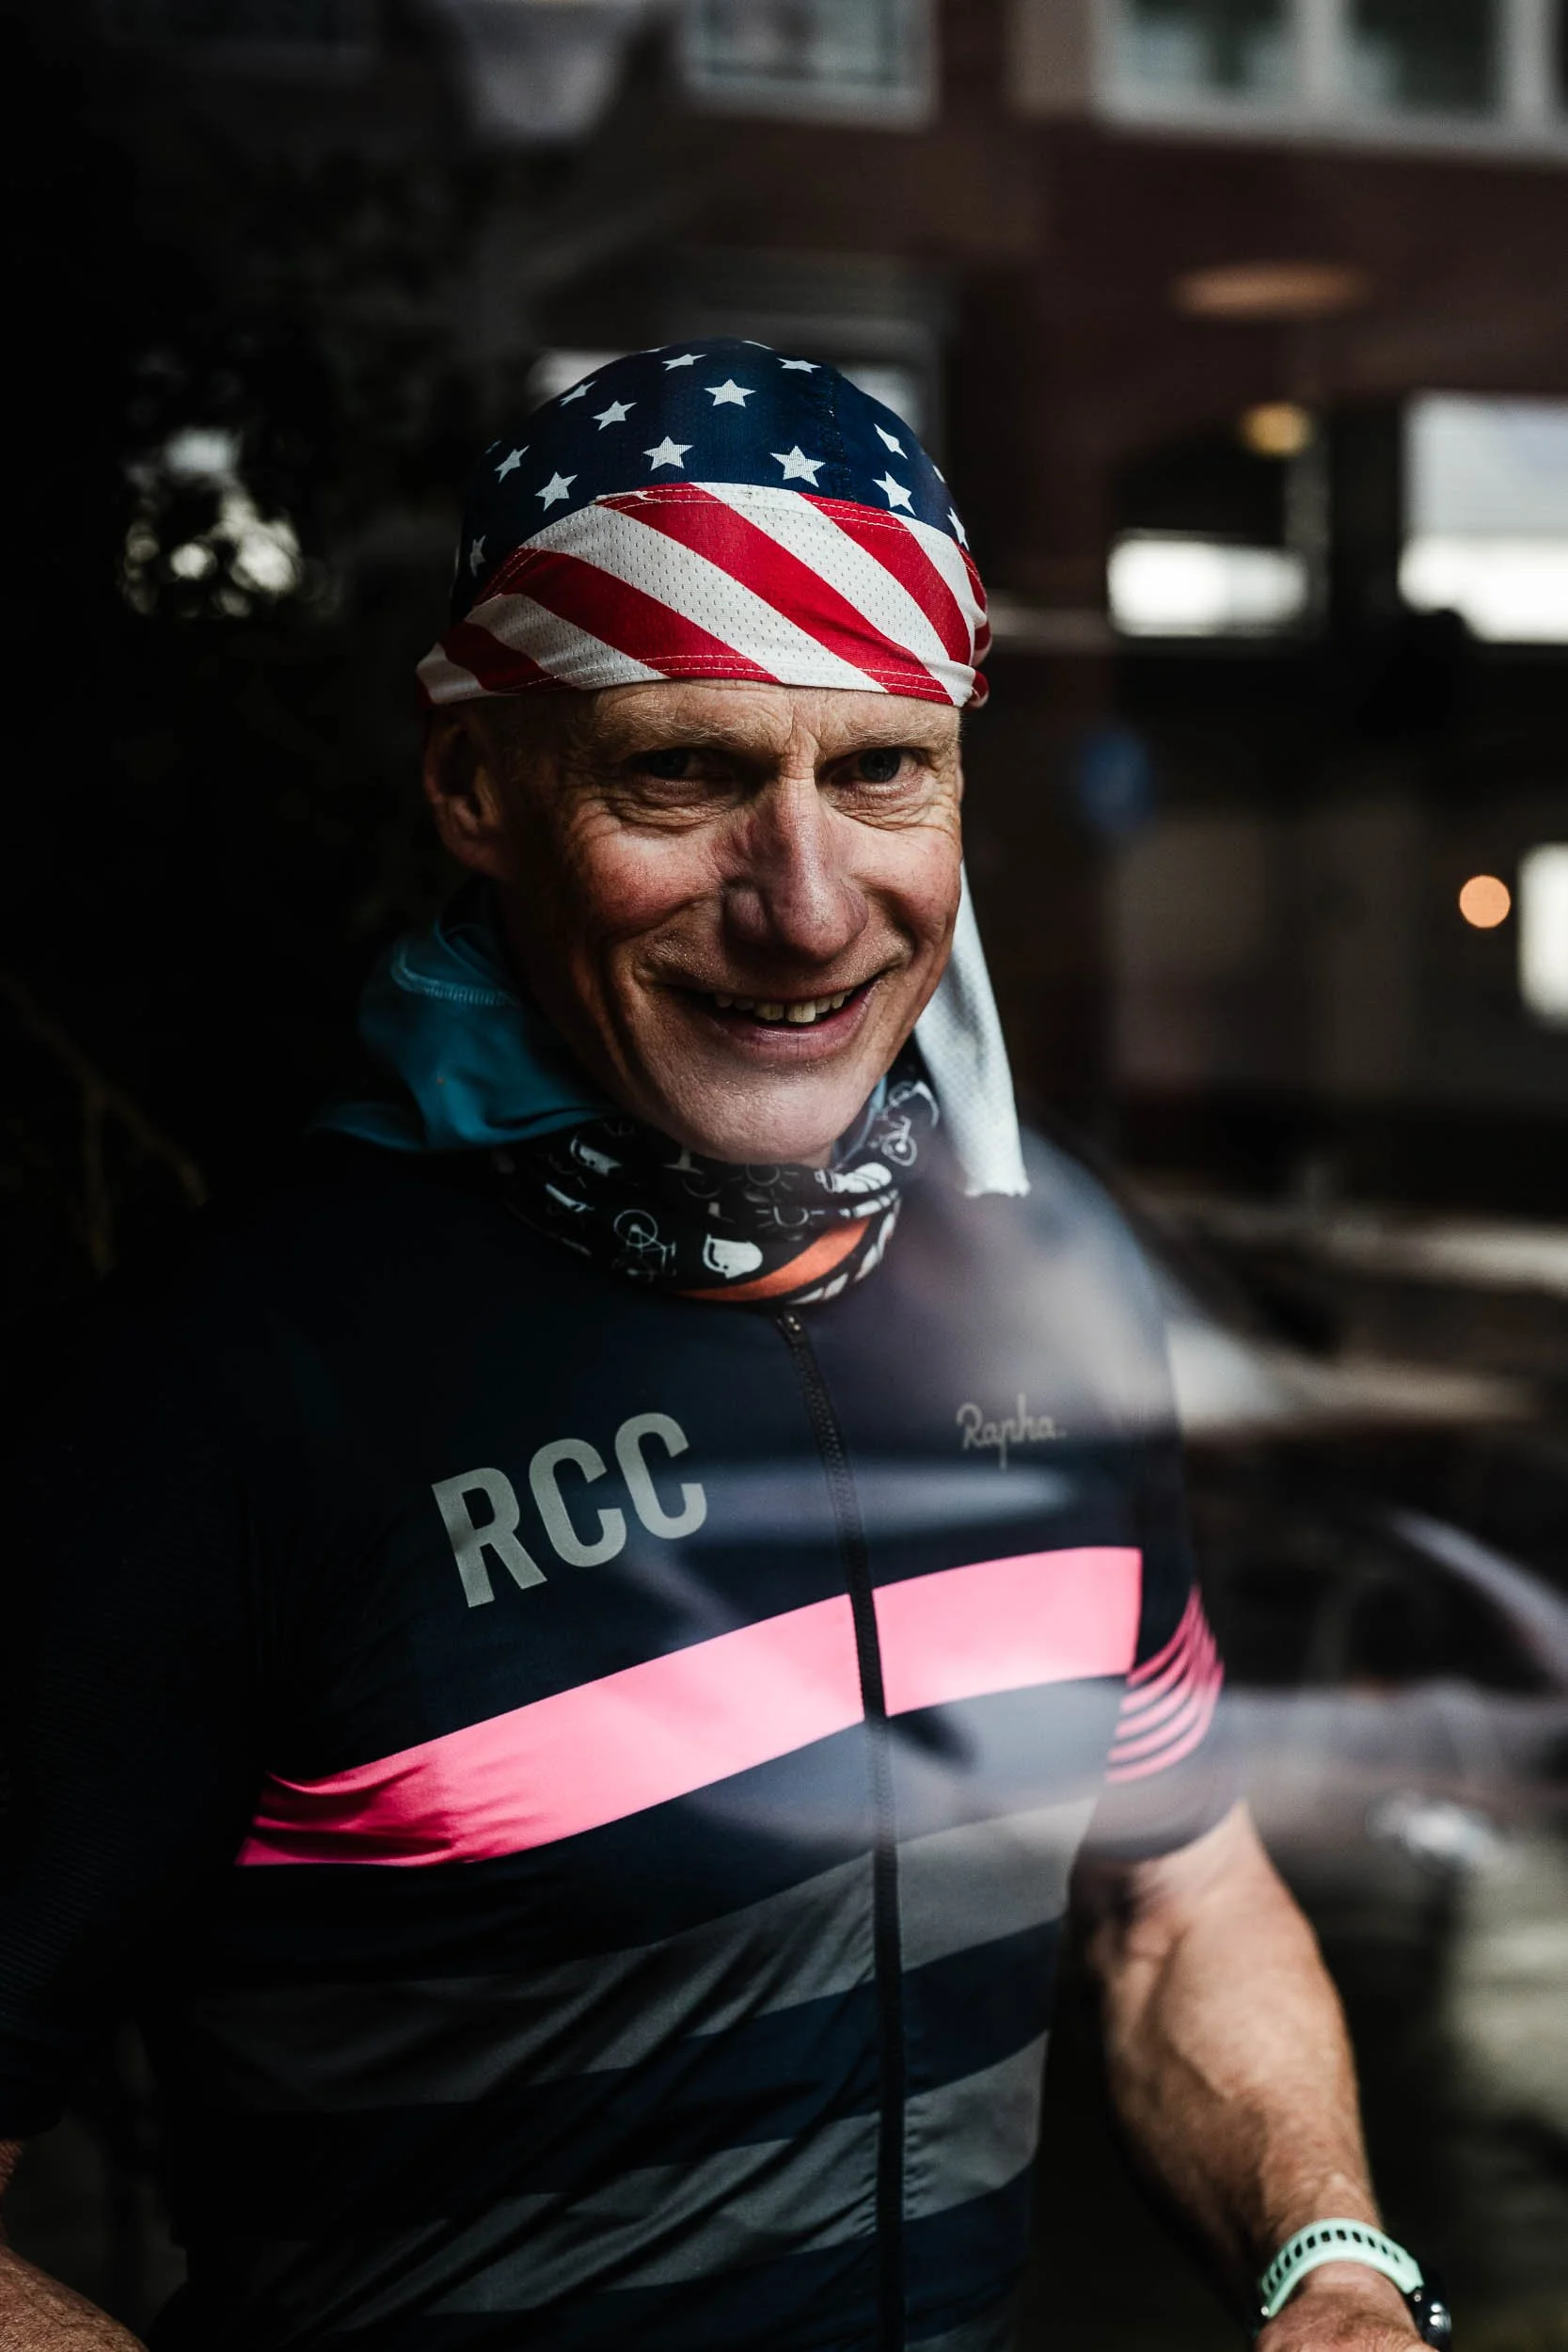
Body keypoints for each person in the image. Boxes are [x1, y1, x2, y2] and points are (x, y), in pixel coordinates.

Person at [0, 346, 1444, 2352]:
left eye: (879, 771)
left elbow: (1172, 1891)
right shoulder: (220, 1393)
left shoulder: (1048, 1275)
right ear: (473, 786)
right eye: (680, 772)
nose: (802, 902)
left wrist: (1332, 2270)